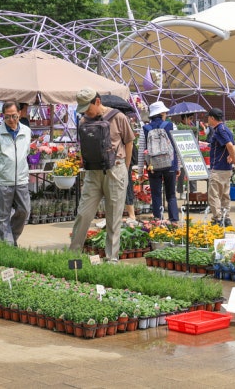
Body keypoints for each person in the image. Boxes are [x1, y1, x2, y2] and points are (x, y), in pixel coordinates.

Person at [70, 88, 135, 262]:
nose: (85, 112)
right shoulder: (84, 119)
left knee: (113, 217)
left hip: (116, 169)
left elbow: (129, 142)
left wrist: (125, 169)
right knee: (83, 213)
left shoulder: (118, 117)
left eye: (87, 107)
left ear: (97, 101)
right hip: (93, 172)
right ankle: (72, 256)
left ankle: (111, 259)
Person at [0, 101, 32, 245]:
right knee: (3, 215)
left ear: (19, 114)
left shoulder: (26, 131)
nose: (11, 120)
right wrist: (4, 166)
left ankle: (10, 239)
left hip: (22, 179)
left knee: (24, 211)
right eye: (7, 117)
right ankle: (7, 245)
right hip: (4, 179)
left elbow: (27, 152)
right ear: (3, 116)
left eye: (14, 116)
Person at [143, 101, 179, 222]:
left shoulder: (145, 128)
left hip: (153, 166)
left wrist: (140, 169)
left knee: (156, 193)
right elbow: (176, 147)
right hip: (170, 165)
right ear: (162, 113)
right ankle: (174, 220)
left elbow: (142, 150)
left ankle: (158, 219)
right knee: (171, 194)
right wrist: (177, 166)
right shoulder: (171, 126)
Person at [206, 108, 235, 226]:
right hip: (226, 168)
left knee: (214, 195)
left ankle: (217, 218)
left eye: (208, 117)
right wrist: (232, 156)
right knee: (225, 194)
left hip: (219, 168)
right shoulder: (226, 129)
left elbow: (230, 145)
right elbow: (234, 146)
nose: (207, 119)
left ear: (212, 118)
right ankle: (226, 218)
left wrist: (234, 159)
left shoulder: (220, 130)